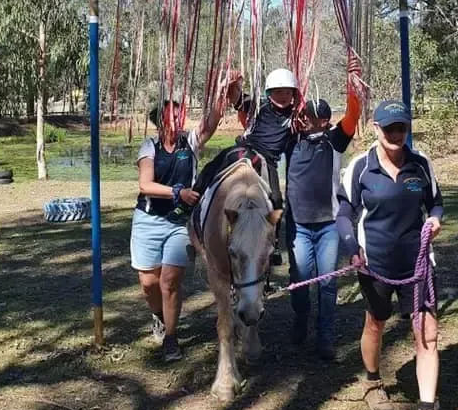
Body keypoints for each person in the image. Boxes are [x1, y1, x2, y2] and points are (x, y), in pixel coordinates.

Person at [336, 99, 454, 410]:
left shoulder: (420, 166)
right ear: (376, 129)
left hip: (417, 264)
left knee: (427, 334)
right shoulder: (360, 167)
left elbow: (436, 201)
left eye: (401, 127)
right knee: (376, 323)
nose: (396, 134)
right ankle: (373, 383)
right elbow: (344, 212)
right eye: (389, 128)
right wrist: (351, 249)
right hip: (374, 264)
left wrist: (435, 219)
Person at [132, 96, 226, 362]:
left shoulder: (190, 143)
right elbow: (145, 185)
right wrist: (178, 192)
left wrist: (223, 90)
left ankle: (171, 338)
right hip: (148, 221)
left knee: (170, 282)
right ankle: (159, 316)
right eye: (171, 115)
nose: (177, 119)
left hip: (180, 223)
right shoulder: (149, 147)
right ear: (160, 121)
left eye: (179, 114)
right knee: (149, 283)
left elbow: (212, 121)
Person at [285, 83, 362, 361]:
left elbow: (353, 115)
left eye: (311, 116)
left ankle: (326, 336)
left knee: (327, 283)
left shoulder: (334, 140)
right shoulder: (291, 140)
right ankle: (301, 319)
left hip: (328, 224)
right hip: (298, 226)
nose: (305, 119)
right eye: (303, 115)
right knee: (301, 280)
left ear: (324, 120)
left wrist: (352, 86)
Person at [192, 68, 300, 264]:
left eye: (287, 92)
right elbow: (235, 97)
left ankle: (272, 244)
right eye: (278, 92)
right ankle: (191, 210)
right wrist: (232, 82)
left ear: (294, 93)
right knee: (210, 169)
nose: (283, 96)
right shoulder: (258, 106)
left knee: (276, 199)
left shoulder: (295, 116)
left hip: (268, 160)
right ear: (269, 93)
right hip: (245, 148)